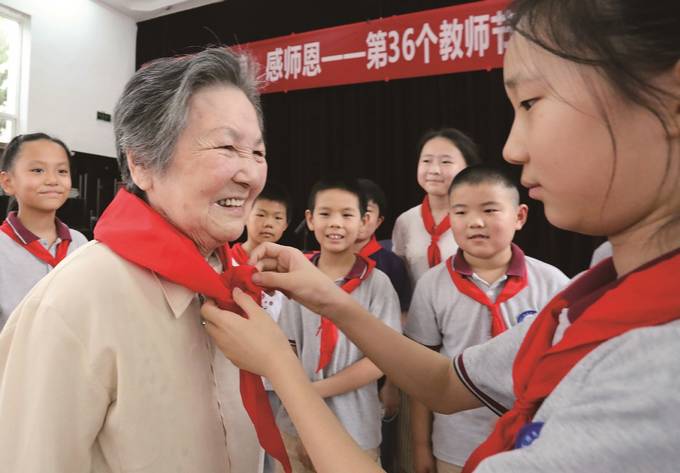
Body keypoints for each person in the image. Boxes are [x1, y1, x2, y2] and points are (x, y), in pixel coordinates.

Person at [202, 0, 680, 471]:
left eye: (532, 102)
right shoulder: (601, 289)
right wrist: (329, 299)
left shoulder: (657, 366)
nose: (513, 148)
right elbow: (447, 382)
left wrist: (281, 370)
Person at [0, 47, 288, 473]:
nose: (249, 174)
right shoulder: (74, 304)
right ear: (142, 164)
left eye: (258, 153)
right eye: (228, 146)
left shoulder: (231, 285)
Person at [406, 165, 569, 473]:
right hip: (456, 444)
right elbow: (421, 374)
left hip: (532, 441)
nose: (475, 222)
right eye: (461, 212)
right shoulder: (432, 285)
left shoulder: (552, 283)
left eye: (490, 210)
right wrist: (421, 446)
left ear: (519, 216)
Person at [275, 178, 402, 472]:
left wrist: (313, 391)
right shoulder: (298, 278)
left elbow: (380, 361)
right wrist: (301, 399)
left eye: (347, 215)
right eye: (325, 214)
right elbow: (287, 346)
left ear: (364, 223)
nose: (336, 223)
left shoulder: (377, 284)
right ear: (309, 219)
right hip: (297, 424)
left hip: (355, 426)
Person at [231, 182, 292, 473]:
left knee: (276, 452)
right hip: (235, 375)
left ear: (287, 224)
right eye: (261, 215)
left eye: (277, 218)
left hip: (276, 379)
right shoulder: (225, 261)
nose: (269, 223)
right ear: (244, 215)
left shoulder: (292, 268)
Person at [0, 133, 88, 330]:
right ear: (8, 182)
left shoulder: (80, 242)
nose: (52, 180)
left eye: (62, 171)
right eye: (38, 170)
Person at [354, 178, 411, 472]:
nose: (359, 221)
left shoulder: (389, 264)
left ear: (379, 220)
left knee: (377, 449)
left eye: (368, 214)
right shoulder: (317, 260)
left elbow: (397, 334)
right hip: (332, 370)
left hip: (376, 372)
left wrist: (392, 385)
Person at [392, 128, 481, 287]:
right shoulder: (406, 220)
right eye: (426, 161)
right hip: (418, 310)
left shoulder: (479, 220)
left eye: (445, 162)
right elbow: (400, 277)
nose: (434, 170)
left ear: (467, 168)